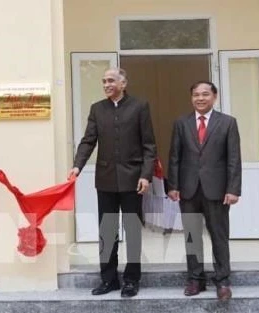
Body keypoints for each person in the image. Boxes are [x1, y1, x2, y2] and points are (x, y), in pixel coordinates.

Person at [69, 68, 156, 298]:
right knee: (107, 231)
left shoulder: (139, 107)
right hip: (105, 179)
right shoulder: (97, 109)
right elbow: (88, 141)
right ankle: (108, 280)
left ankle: (131, 280)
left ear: (123, 83)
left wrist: (146, 175)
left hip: (133, 180)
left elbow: (149, 145)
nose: (106, 84)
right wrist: (77, 165)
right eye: (103, 81)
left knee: (133, 231)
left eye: (110, 80)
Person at [167, 81, 241, 301]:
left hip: (217, 190)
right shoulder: (181, 123)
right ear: (191, 98)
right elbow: (174, 156)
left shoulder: (228, 123)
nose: (200, 98)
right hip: (188, 189)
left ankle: (223, 281)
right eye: (196, 95)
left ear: (214, 97)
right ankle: (195, 279)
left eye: (205, 94)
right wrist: (173, 186)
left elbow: (233, 159)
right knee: (192, 236)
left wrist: (233, 189)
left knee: (219, 236)